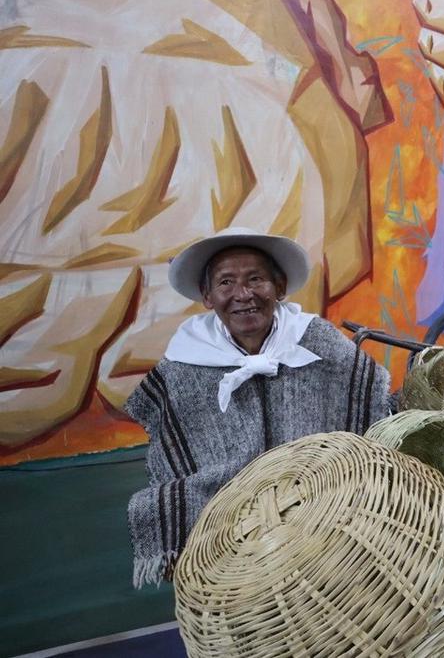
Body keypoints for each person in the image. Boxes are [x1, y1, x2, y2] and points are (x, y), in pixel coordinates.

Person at [125, 227, 391, 587]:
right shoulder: (183, 365)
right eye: (226, 283)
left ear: (279, 288)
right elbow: (170, 459)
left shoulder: (316, 340)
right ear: (207, 296)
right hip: (230, 529)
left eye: (256, 279)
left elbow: (373, 401)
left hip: (323, 513)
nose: (243, 294)